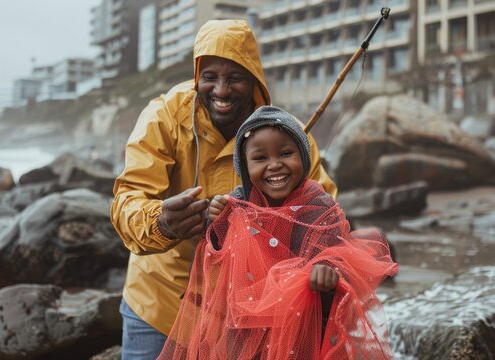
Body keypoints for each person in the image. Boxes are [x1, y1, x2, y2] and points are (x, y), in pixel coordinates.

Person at [110, 20, 336, 359]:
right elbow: (126, 200)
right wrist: (162, 221)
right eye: (210, 76)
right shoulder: (163, 117)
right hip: (160, 301)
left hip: (243, 316)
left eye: (235, 77)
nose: (221, 90)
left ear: (254, 79)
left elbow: (324, 211)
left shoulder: (286, 135)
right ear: (197, 75)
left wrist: (325, 259)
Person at [158, 106, 398, 359]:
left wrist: (327, 268)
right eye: (260, 158)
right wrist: (216, 220)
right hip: (244, 326)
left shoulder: (318, 204)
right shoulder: (238, 202)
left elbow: (334, 247)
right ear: (244, 167)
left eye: (285, 153)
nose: (274, 165)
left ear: (303, 158)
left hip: (303, 324)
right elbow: (217, 250)